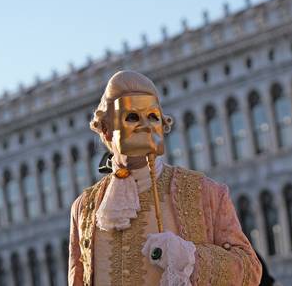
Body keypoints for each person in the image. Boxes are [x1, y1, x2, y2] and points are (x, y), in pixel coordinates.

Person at [68, 70, 262, 285]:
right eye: (132, 117)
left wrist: (187, 257)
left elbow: (250, 272)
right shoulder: (84, 209)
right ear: (105, 130)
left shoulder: (205, 193)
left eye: (152, 117)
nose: (145, 126)